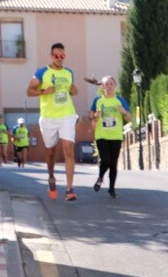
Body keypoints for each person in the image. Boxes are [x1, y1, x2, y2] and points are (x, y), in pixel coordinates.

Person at [27, 42, 79, 200]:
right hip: (49, 117)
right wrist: (44, 91)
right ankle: (51, 176)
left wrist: (74, 90)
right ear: (51, 56)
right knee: (51, 152)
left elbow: (73, 90)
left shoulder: (69, 72)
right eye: (56, 55)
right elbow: (29, 91)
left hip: (67, 115)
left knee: (68, 149)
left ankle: (69, 189)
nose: (59, 58)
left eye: (62, 55)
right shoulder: (42, 72)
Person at [89, 77, 129, 198]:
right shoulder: (98, 100)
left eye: (111, 84)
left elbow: (129, 118)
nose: (110, 86)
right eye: (107, 84)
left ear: (115, 85)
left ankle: (111, 188)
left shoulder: (120, 100)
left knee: (113, 163)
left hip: (116, 135)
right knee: (106, 160)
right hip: (102, 135)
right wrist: (96, 115)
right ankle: (100, 178)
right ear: (103, 87)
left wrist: (124, 112)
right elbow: (91, 116)